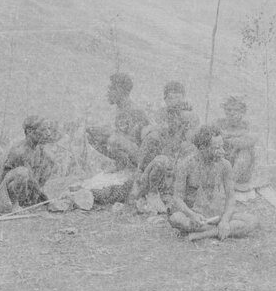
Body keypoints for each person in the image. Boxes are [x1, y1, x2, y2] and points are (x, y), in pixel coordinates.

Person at [169, 125, 260, 242]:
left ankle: (205, 234)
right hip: (196, 217)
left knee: (252, 221)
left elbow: (231, 197)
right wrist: (192, 215)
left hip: (217, 215)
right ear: (202, 148)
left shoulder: (225, 165)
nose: (223, 152)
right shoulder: (186, 164)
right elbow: (177, 198)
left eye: (222, 147)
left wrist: (225, 220)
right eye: (217, 148)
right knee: (176, 218)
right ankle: (220, 231)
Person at [134, 81, 200, 213]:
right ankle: (145, 182)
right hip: (162, 155)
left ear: (184, 97)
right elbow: (146, 134)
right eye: (170, 98)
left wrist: (184, 122)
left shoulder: (189, 115)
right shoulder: (161, 114)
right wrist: (161, 128)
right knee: (155, 144)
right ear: (165, 99)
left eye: (178, 97)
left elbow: (192, 140)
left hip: (181, 157)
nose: (174, 101)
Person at [0, 116, 61, 216]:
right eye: (43, 129)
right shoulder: (19, 151)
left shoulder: (40, 150)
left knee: (50, 160)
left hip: (25, 192)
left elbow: (34, 178)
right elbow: (6, 179)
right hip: (3, 198)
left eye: (48, 129)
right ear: (30, 132)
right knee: (22, 173)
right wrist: (45, 198)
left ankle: (31, 199)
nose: (48, 133)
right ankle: (14, 205)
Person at [85, 72, 150, 169]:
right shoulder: (121, 109)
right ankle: (121, 163)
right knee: (93, 137)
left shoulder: (134, 110)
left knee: (113, 140)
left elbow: (134, 141)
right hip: (131, 149)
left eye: (111, 89)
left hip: (141, 156)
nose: (108, 93)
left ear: (119, 90)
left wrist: (109, 133)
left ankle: (129, 167)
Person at [213, 95, 258, 192]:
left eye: (236, 110)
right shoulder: (219, 123)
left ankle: (230, 182)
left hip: (240, 169)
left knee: (245, 152)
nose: (232, 113)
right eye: (229, 110)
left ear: (243, 112)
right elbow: (211, 139)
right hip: (222, 161)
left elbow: (248, 141)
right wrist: (237, 137)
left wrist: (227, 137)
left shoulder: (247, 125)